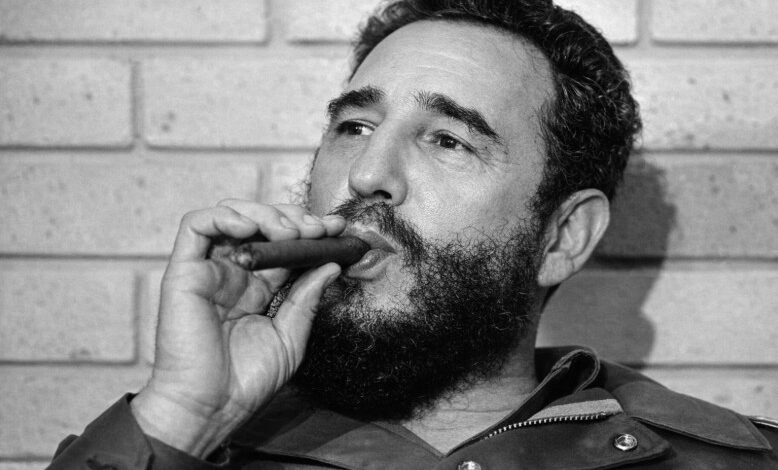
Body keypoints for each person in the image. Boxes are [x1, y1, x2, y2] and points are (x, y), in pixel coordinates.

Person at [49, 1, 778, 468]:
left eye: (448, 140)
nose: (367, 173)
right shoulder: (180, 445)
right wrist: (183, 419)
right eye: (354, 126)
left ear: (562, 236)